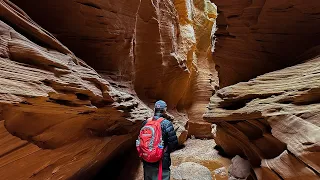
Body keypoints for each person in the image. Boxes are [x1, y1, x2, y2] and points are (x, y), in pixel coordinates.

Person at [138, 100, 178, 180]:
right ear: (165, 110)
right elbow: (173, 144)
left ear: (154, 109)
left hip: (147, 160)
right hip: (161, 161)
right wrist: (162, 151)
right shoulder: (167, 123)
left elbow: (140, 141)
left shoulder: (145, 123)